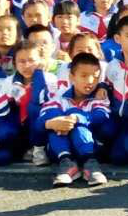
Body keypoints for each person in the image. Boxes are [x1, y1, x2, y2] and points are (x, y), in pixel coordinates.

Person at [42, 52, 114, 187]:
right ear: (72, 77)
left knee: (74, 116)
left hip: (92, 148)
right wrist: (51, 123)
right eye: (84, 76)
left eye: (95, 77)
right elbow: (40, 120)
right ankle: (67, 164)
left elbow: (102, 116)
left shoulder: (99, 98)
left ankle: (91, 165)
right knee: (56, 122)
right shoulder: (59, 97)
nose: (90, 81)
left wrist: (77, 118)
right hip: (60, 150)